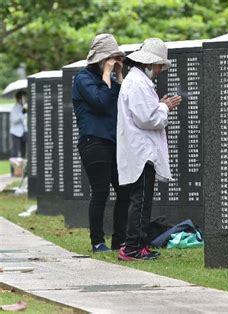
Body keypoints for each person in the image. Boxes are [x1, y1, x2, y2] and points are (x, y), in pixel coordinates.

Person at [116, 38, 182, 261]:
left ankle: (139, 244)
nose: (160, 71)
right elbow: (147, 118)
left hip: (142, 150)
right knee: (140, 201)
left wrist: (159, 105)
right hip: (141, 151)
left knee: (142, 200)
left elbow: (146, 112)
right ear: (150, 63)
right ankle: (132, 248)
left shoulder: (138, 81)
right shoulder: (137, 83)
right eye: (159, 66)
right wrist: (164, 106)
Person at [72, 33, 130, 253]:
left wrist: (119, 75)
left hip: (114, 143)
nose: (113, 61)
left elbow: (126, 100)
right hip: (93, 142)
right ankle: (97, 242)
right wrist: (107, 73)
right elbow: (101, 101)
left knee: (124, 191)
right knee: (101, 191)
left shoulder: (112, 82)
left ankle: (119, 241)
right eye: (109, 58)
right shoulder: (83, 79)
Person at [9, 91, 27, 176]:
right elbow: (14, 120)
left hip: (23, 132)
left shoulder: (24, 107)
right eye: (23, 97)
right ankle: (13, 172)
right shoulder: (14, 108)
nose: (25, 99)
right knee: (14, 153)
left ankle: (22, 171)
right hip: (15, 133)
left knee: (24, 153)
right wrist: (22, 114)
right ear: (19, 98)